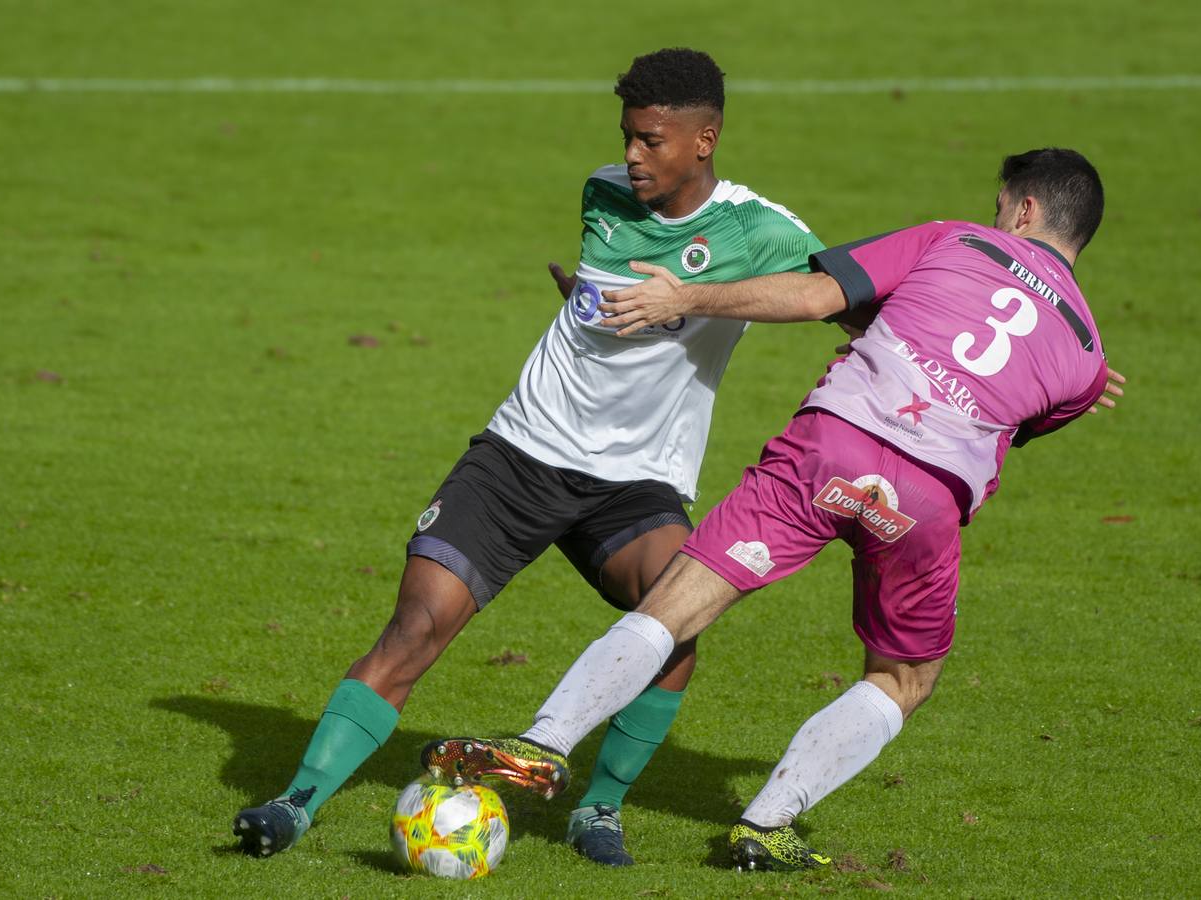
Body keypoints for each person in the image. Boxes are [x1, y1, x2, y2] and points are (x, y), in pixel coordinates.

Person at [423, 148, 1125, 870]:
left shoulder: (955, 237)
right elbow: (1016, 417)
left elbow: (819, 296)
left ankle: (544, 742)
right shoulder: (1087, 358)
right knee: (903, 677)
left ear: (1025, 209)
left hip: (832, 448)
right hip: (925, 502)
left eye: (1001, 204)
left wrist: (684, 299)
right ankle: (766, 823)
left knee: (675, 604)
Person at [231, 48, 826, 864]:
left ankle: (599, 809)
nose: (631, 155)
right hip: (519, 457)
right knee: (413, 628)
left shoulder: (760, 230)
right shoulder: (602, 192)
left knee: (672, 632)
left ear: (704, 139)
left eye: (651, 140)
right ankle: (295, 804)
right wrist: (585, 298)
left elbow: (839, 296)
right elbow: (602, 290)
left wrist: (690, 299)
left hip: (635, 484)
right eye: (627, 136)